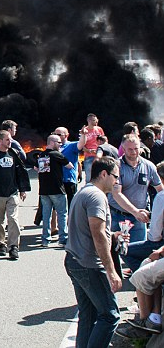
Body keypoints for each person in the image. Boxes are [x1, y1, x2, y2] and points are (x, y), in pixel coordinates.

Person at [65, 156, 124, 347]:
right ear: (104, 174)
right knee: (110, 315)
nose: (117, 182)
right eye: (115, 177)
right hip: (88, 263)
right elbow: (97, 234)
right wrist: (111, 270)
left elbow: (91, 230)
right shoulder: (97, 196)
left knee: (88, 315)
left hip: (74, 260)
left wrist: (113, 236)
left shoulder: (84, 193)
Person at [0, 129, 30, 260]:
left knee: (13, 219)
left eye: (10, 139)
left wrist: (23, 189)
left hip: (12, 193)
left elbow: (20, 171)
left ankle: (13, 247)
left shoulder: (13, 153)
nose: (10, 142)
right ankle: (0, 244)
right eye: (7, 139)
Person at [110, 134, 163, 245]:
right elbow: (116, 194)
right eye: (130, 149)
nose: (133, 152)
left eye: (136, 148)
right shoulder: (116, 167)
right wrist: (135, 212)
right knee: (115, 251)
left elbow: (160, 190)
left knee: (136, 251)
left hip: (140, 218)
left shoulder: (149, 166)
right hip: (117, 215)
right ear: (123, 149)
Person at [34, 134, 74, 247]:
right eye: (58, 143)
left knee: (46, 215)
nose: (60, 145)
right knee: (62, 213)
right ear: (52, 142)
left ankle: (45, 239)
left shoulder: (41, 155)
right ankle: (63, 239)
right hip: (57, 189)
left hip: (44, 190)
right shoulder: (57, 155)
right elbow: (70, 166)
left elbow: (37, 169)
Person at [81, 113, 105, 182]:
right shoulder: (85, 130)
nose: (96, 122)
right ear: (89, 121)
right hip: (89, 156)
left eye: (96, 120)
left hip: (99, 155)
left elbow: (104, 140)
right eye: (94, 120)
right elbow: (81, 145)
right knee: (89, 178)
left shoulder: (99, 129)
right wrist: (90, 150)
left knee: (100, 177)